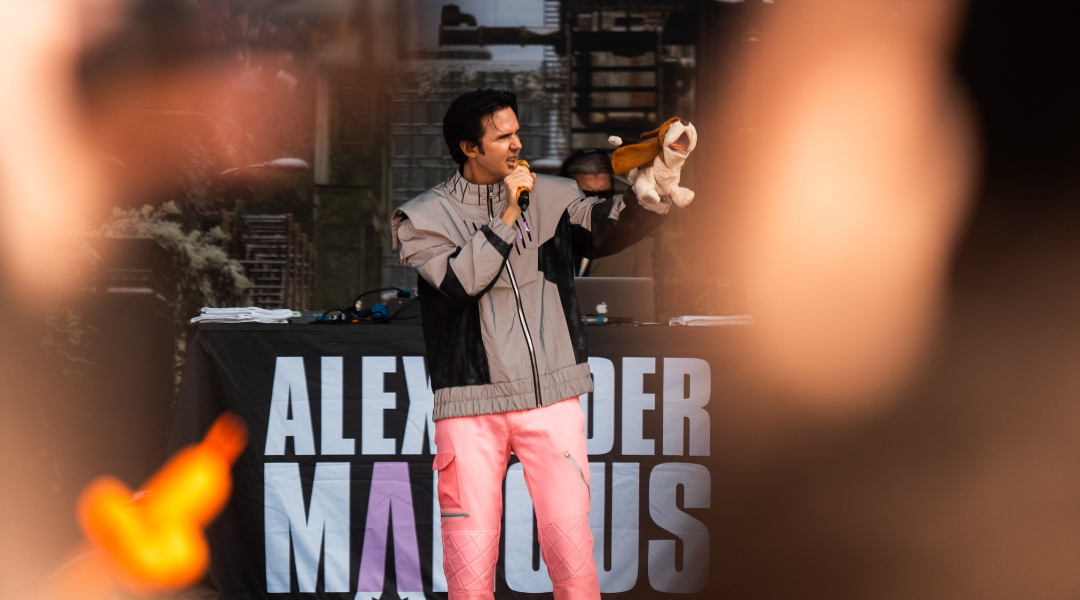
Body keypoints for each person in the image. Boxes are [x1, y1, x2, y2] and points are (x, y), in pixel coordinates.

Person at [390, 89, 674, 600]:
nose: (518, 144)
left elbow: (607, 229)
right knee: (469, 569)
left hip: (551, 397)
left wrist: (656, 187)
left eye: (517, 132)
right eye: (503, 137)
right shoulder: (422, 217)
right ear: (469, 147)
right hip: (470, 404)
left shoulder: (553, 195)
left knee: (572, 557)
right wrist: (507, 214)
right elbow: (460, 283)